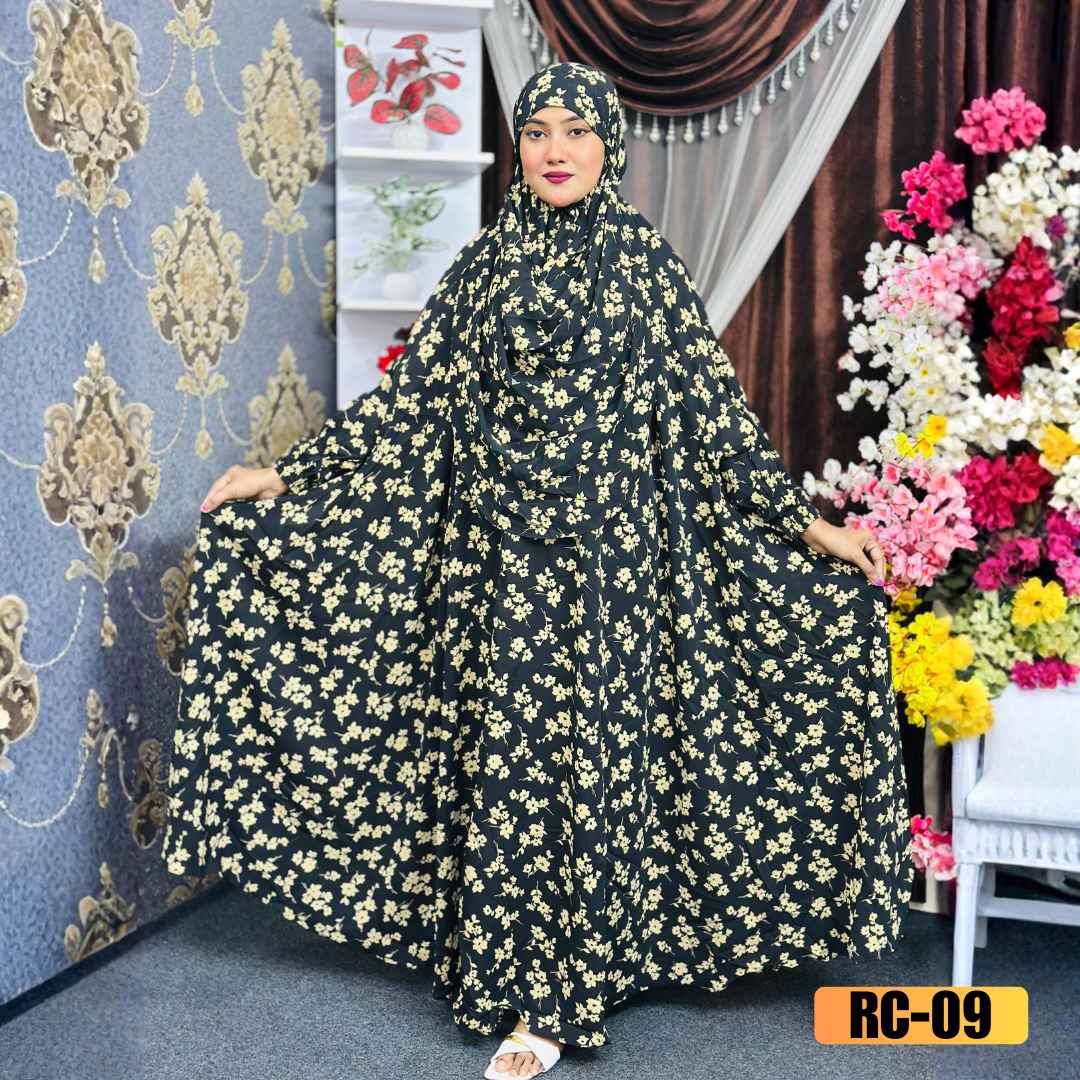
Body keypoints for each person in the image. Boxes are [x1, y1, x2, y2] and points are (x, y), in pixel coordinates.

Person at [163, 62, 912, 1079]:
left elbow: (713, 420)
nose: (556, 149)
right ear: (519, 149)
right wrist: (287, 476)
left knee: (589, 769)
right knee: (513, 769)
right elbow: (412, 404)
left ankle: (565, 992)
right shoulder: (483, 267)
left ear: (609, 145)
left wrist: (809, 526)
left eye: (576, 130)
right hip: (500, 569)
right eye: (538, 130)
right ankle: (518, 981)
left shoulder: (645, 267)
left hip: (614, 575)